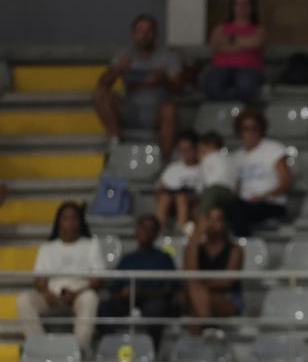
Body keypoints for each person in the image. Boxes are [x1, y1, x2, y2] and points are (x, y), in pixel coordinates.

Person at [17, 202, 104, 356]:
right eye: (65, 218)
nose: (70, 222)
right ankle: (39, 349)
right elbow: (39, 278)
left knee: (90, 298)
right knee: (24, 299)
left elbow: (98, 279)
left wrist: (76, 294)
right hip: (51, 297)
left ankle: (79, 350)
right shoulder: (47, 247)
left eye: (74, 218)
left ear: (80, 221)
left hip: (79, 295)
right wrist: (46, 293)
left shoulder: (91, 245)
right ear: (59, 221)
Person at [93, 14, 181, 159]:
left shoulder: (168, 57)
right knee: (99, 94)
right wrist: (118, 70)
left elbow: (179, 90)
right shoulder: (124, 56)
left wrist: (165, 79)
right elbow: (102, 83)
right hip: (131, 110)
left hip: (156, 112)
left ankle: (165, 161)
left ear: (155, 34)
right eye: (140, 31)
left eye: (148, 31)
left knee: (169, 110)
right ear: (133, 34)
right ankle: (115, 141)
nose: (144, 35)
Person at [97, 215, 177, 352]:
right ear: (136, 231)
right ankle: (109, 350)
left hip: (153, 300)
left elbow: (170, 289)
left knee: (156, 310)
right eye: (143, 228)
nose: (146, 232)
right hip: (126, 300)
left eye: (150, 229)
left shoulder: (164, 258)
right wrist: (122, 294)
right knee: (104, 308)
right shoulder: (127, 260)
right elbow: (113, 290)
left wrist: (143, 292)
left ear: (156, 233)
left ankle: (153, 353)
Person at [227, 109, 293, 236]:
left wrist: (263, 196)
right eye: (245, 128)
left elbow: (287, 181)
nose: (250, 132)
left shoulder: (274, 149)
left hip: (271, 204)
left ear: (261, 129)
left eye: (254, 128)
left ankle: (242, 245)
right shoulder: (236, 156)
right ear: (239, 131)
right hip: (244, 204)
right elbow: (236, 187)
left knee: (239, 210)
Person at [184, 206, 244, 334]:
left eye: (218, 219)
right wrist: (196, 236)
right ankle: (208, 329)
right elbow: (189, 272)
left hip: (228, 297)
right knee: (195, 300)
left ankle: (205, 329)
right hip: (200, 297)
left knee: (195, 303)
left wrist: (200, 284)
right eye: (209, 219)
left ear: (225, 223)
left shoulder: (235, 249)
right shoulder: (196, 249)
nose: (213, 223)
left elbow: (227, 281)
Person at [203, 0, 267, 102]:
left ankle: (238, 111)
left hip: (249, 69)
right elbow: (214, 44)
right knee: (212, 86)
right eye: (238, 4)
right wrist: (242, 44)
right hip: (221, 68)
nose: (241, 7)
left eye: (245, 4)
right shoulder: (221, 28)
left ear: (252, 7)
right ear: (232, 7)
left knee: (245, 86)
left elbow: (255, 43)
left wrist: (228, 42)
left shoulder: (258, 29)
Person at [155, 130, 202, 234]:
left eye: (188, 149)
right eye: (182, 149)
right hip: (172, 204)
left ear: (196, 148)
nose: (185, 152)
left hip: (195, 203)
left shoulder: (204, 167)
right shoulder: (173, 168)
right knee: (165, 197)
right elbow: (160, 190)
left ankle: (181, 230)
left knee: (182, 197)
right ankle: (158, 231)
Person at [197, 131, 237, 216]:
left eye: (201, 147)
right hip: (229, 194)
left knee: (203, 214)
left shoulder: (208, 158)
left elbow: (204, 180)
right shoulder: (230, 158)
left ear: (210, 145)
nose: (200, 150)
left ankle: (199, 227)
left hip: (213, 190)